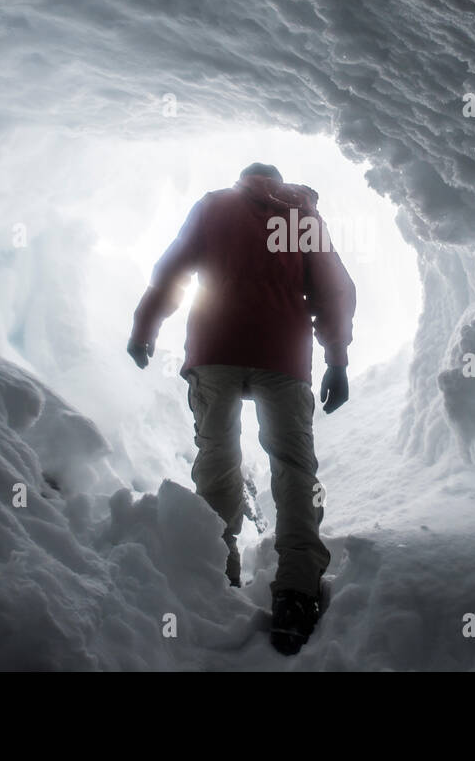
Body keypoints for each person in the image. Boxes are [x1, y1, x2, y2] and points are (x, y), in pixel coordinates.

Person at [127, 162, 357, 655]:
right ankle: (296, 593)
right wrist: (337, 360)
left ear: (243, 180)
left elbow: (172, 272)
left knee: (217, 457)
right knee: (294, 468)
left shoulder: (215, 205)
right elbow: (333, 291)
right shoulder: (300, 215)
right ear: (280, 181)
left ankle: (218, 570)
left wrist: (144, 328)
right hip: (283, 356)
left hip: (217, 349)